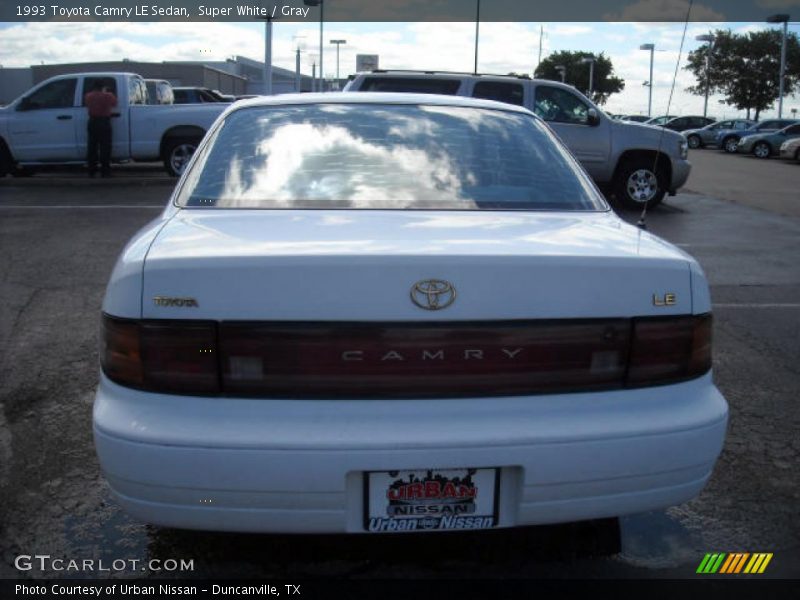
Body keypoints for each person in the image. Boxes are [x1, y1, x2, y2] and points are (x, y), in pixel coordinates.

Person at [84, 79, 117, 177]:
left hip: (92, 121)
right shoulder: (108, 96)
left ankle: (91, 171)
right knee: (105, 148)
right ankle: (105, 171)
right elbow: (115, 103)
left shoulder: (88, 96)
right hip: (104, 122)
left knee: (92, 147)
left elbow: (87, 104)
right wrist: (107, 92)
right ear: (103, 87)